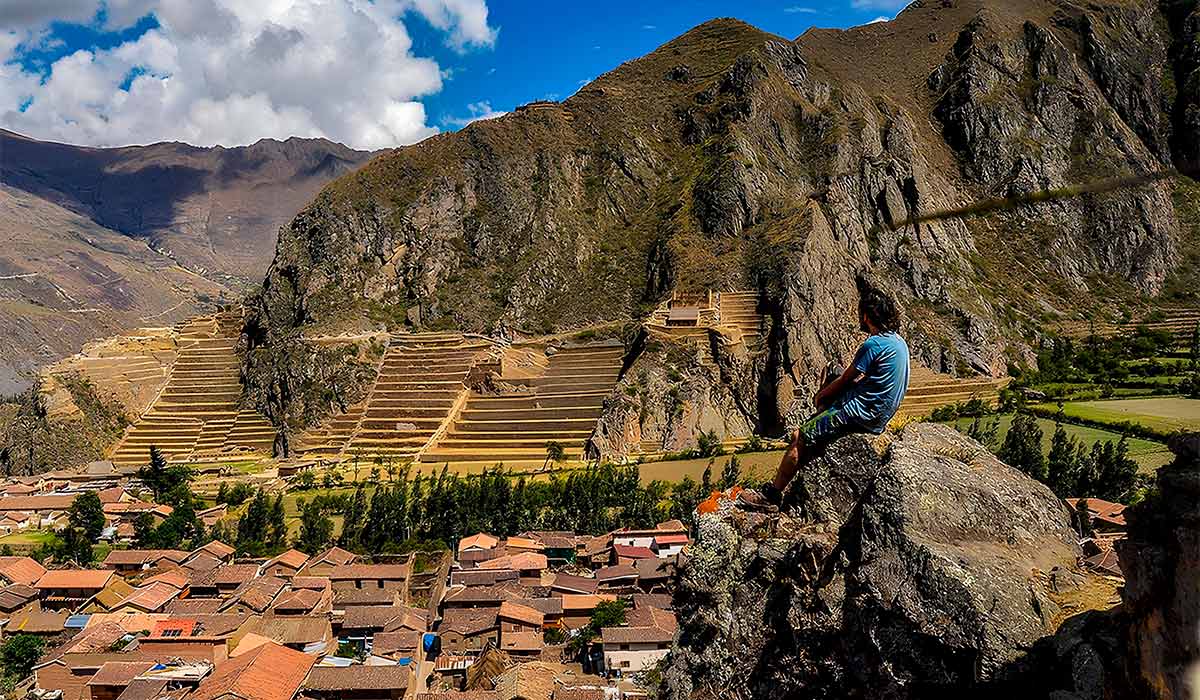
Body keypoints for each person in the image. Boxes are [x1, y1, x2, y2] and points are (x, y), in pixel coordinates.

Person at [740, 286, 910, 509]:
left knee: (798, 436)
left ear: (867, 315)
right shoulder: (898, 341)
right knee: (833, 370)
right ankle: (821, 417)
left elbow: (846, 380)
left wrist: (820, 397)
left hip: (859, 415)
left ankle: (772, 495)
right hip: (879, 415)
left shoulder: (873, 344)